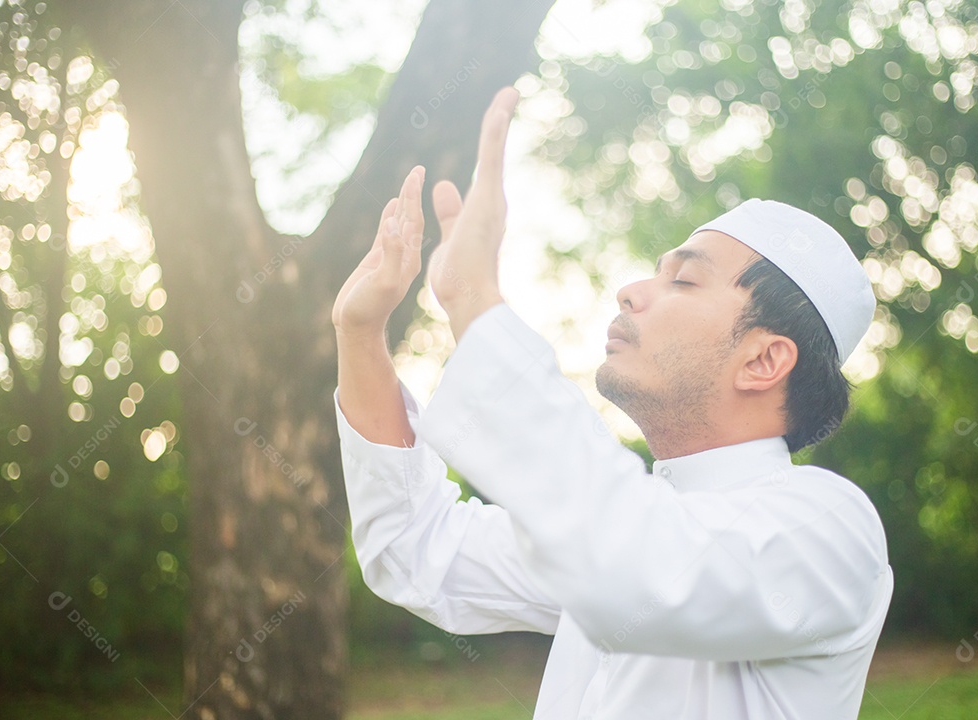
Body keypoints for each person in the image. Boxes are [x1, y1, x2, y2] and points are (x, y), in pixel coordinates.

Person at [331, 86, 893, 719]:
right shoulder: (625, 521)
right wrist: (359, 335)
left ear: (763, 360)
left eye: (682, 279)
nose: (630, 291)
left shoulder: (826, 528)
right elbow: (416, 549)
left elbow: (636, 563)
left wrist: (472, 300)